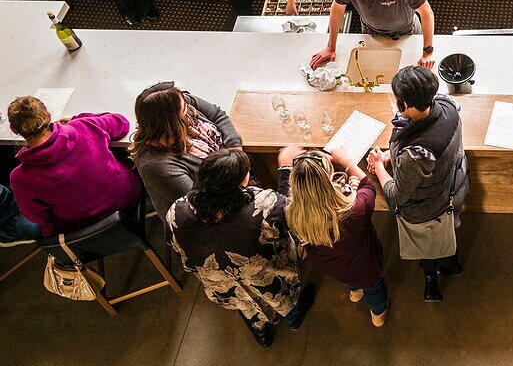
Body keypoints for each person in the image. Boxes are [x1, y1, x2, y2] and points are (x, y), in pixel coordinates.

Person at [166, 148, 315, 347]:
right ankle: (294, 319)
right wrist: (286, 169)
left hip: (222, 285)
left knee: (245, 306)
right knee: (283, 300)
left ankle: (262, 336)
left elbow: (180, 253)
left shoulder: (176, 212)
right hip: (268, 277)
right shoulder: (262, 205)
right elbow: (292, 216)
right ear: (240, 183)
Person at [367, 65, 468, 302]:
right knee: (449, 231)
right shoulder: (448, 107)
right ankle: (451, 264)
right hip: (454, 186)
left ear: (405, 104)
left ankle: (431, 279)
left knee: (429, 245)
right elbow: (424, 142)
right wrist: (390, 156)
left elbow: (396, 194)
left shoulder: (415, 155)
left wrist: (380, 166)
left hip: (429, 207)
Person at [283, 145, 388, 327]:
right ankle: (378, 314)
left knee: (349, 281)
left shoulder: (293, 213)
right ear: (327, 182)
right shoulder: (353, 209)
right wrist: (347, 163)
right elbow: (368, 187)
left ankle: (355, 292)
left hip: (331, 268)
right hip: (364, 266)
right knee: (375, 290)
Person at [7, 96, 141, 237]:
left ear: (14, 130)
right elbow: (121, 123)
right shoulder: (82, 126)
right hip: (128, 198)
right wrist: (78, 118)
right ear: (48, 116)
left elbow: (38, 217)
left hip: (85, 227)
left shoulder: (20, 178)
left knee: (23, 224)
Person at [131, 81, 243, 221]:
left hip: (233, 176)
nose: (188, 103)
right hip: (210, 217)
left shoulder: (181, 101)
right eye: (184, 108)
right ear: (170, 122)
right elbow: (202, 204)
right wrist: (239, 175)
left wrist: (235, 149)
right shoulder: (156, 164)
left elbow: (217, 114)